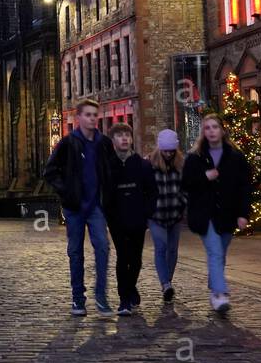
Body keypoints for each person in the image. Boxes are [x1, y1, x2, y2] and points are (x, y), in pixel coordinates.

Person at [42, 98, 121, 316]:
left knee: (103, 247)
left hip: (96, 205)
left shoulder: (104, 143)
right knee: (76, 252)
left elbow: (113, 169)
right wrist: (66, 191)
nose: (93, 118)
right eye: (88, 115)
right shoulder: (68, 143)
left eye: (95, 115)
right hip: (75, 206)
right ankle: (78, 298)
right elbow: (50, 171)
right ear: (79, 118)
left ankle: (101, 295)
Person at [181, 114, 251, 314]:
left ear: (222, 130)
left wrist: (243, 213)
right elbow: (186, 183)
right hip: (205, 214)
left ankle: (214, 288)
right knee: (215, 251)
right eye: (207, 128)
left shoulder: (235, 157)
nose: (211, 131)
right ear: (203, 132)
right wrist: (204, 177)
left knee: (221, 252)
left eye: (214, 127)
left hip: (227, 213)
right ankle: (220, 294)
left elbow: (244, 187)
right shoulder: (195, 158)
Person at [104, 123, 156, 315]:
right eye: (119, 135)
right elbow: (105, 193)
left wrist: (147, 214)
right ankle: (124, 299)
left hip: (137, 219)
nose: (124, 138)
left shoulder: (142, 164)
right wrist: (108, 215)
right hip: (117, 220)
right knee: (123, 256)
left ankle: (131, 287)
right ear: (113, 140)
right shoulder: (109, 165)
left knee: (136, 260)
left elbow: (151, 191)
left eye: (127, 135)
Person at [147, 129, 186, 303]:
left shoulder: (180, 164)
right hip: (156, 215)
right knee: (161, 248)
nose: (169, 154)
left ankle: (167, 281)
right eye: (166, 150)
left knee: (173, 250)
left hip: (175, 214)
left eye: (172, 151)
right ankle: (165, 284)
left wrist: (183, 202)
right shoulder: (149, 164)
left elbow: (186, 186)